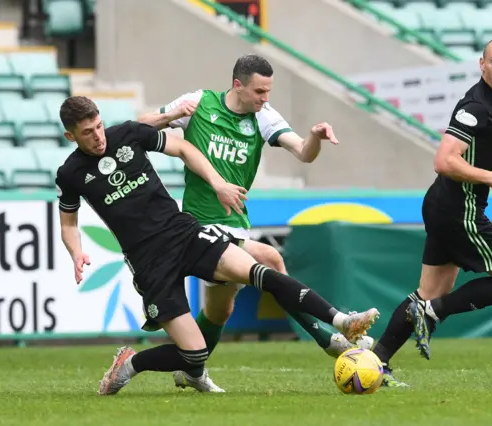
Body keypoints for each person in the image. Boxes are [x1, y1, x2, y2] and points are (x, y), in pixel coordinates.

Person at [54, 96, 380, 395]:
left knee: (259, 270)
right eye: (88, 132)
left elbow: (182, 149)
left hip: (183, 233)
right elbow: (68, 222)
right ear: (71, 136)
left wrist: (218, 183)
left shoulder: (125, 134)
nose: (99, 137)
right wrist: (76, 252)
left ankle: (340, 320)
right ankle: (130, 365)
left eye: (98, 126)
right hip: (149, 260)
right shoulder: (70, 174)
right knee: (194, 354)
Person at [137, 52, 373, 382]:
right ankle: (330, 336)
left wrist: (316, 138)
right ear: (238, 85)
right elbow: (139, 125)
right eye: (260, 92)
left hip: (235, 223)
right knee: (271, 259)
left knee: (221, 310)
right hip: (200, 225)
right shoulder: (199, 103)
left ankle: (190, 371)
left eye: (269, 92)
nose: (265, 98)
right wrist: (174, 114)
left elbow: (303, 153)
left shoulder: (263, 117)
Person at [371, 37, 492, 388]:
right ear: (481, 64)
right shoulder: (475, 105)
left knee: (427, 291)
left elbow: (491, 135)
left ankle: (375, 361)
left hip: (443, 206)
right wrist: (488, 176)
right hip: (462, 212)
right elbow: (444, 160)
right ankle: (432, 314)